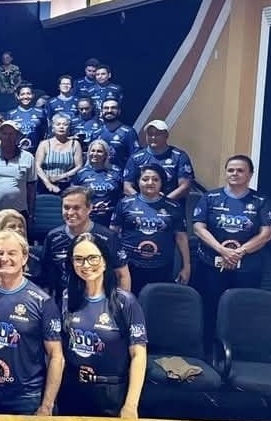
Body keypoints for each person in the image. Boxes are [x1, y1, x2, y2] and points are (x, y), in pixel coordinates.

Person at [0, 230, 63, 415]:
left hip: (24, 397)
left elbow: (56, 356)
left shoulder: (42, 301)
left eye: (12, 253)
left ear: (24, 257)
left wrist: (47, 405)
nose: (5, 258)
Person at [59, 233, 147, 418]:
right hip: (72, 391)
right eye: (79, 259)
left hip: (111, 394)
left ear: (105, 261)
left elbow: (138, 355)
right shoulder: (67, 297)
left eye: (93, 258)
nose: (86, 265)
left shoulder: (126, 302)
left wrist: (131, 405)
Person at [192, 155, 271, 338]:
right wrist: (222, 250)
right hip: (210, 265)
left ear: (250, 174)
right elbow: (198, 228)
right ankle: (208, 344)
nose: (234, 173)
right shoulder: (210, 197)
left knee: (243, 308)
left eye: (240, 170)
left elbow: (267, 233)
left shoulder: (261, 201)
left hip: (247, 267)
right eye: (230, 170)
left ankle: (237, 344)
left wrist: (239, 252)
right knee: (209, 307)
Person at [112, 164, 190, 295]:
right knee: (129, 302)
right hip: (129, 266)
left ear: (161, 182)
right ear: (138, 181)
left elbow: (181, 238)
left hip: (162, 267)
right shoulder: (125, 203)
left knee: (156, 303)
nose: (150, 182)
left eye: (155, 179)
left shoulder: (173, 207)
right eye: (145, 179)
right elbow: (113, 234)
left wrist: (186, 267)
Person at [44, 186, 131, 298]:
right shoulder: (53, 237)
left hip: (101, 300)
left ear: (89, 208)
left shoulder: (108, 237)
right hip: (65, 300)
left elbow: (122, 275)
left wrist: (121, 303)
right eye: (66, 207)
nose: (70, 213)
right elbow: (47, 276)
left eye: (76, 208)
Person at [123, 120, 194, 200]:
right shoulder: (135, 158)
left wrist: (163, 202)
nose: (153, 137)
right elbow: (127, 187)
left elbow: (185, 186)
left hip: (171, 204)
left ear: (166, 135)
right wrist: (142, 201)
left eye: (158, 134)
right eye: (150, 134)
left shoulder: (179, 156)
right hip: (142, 205)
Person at [0, 209, 44, 284]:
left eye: (20, 226)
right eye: (12, 227)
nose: (18, 229)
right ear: (0, 230)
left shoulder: (36, 254)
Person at [72, 139, 123, 227]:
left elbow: (122, 195)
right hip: (88, 218)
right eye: (93, 151)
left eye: (99, 151)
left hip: (110, 219)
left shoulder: (116, 172)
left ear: (106, 154)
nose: (95, 154)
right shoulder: (81, 173)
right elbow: (74, 196)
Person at [35, 113, 83, 194]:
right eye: (58, 124)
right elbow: (37, 166)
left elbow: (79, 166)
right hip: (44, 185)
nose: (61, 127)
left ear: (69, 128)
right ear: (53, 128)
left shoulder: (75, 144)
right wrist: (48, 184)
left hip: (67, 185)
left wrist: (61, 176)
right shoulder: (44, 144)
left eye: (65, 124)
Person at [98, 99, 140, 169]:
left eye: (113, 108)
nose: (109, 111)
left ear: (119, 111)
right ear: (101, 111)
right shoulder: (96, 133)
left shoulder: (128, 132)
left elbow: (135, 157)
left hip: (121, 174)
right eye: (106, 108)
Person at [7, 83, 47, 153]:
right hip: (17, 153)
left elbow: (45, 133)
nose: (25, 97)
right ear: (17, 96)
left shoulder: (41, 112)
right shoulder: (11, 114)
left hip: (37, 152)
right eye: (22, 94)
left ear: (33, 95)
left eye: (28, 94)